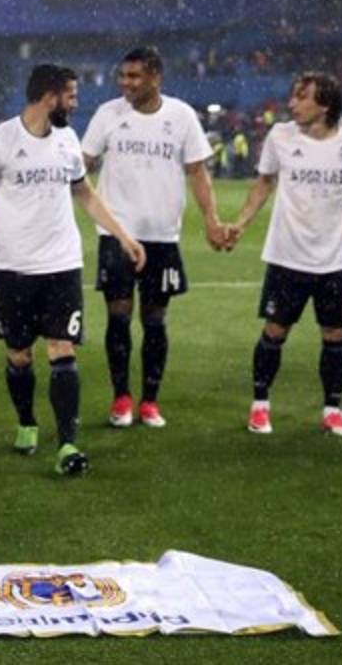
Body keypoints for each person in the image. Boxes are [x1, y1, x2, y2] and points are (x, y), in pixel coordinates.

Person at [0, 64, 146, 476]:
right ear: (50, 95)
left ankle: (68, 443)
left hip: (62, 266)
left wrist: (123, 236)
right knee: (19, 355)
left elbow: (84, 193)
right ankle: (27, 422)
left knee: (62, 349)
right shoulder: (0, 141)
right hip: (14, 269)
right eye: (70, 95)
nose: (75, 103)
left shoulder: (67, 140)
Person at [80, 47, 223, 429]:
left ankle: (150, 401)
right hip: (118, 234)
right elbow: (82, 166)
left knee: (155, 320)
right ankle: (122, 398)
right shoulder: (108, 114)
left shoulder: (181, 117)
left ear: (156, 77)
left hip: (162, 236)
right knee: (118, 316)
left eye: (134, 76)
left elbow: (197, 173)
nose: (125, 83)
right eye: (122, 76)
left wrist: (211, 220)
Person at [229, 72, 342, 436]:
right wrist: (241, 223)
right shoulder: (280, 136)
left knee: (335, 336)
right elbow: (265, 182)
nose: (292, 103)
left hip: (337, 259)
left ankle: (331, 410)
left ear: (324, 105)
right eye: (293, 96)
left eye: (301, 97)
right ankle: (260, 406)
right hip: (287, 255)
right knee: (275, 331)